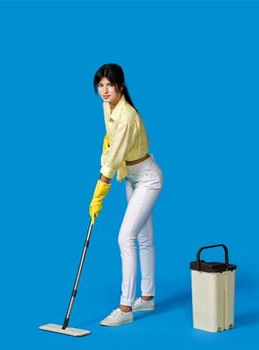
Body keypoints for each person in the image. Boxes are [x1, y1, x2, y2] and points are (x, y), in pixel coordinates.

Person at [88, 64, 163, 327]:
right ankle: (147, 296)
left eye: (110, 84)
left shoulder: (128, 116)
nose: (105, 90)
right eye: (100, 85)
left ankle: (125, 307)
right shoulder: (107, 106)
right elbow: (113, 144)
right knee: (143, 239)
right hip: (131, 177)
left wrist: (99, 193)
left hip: (147, 178)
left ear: (121, 86)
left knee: (125, 238)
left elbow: (113, 160)